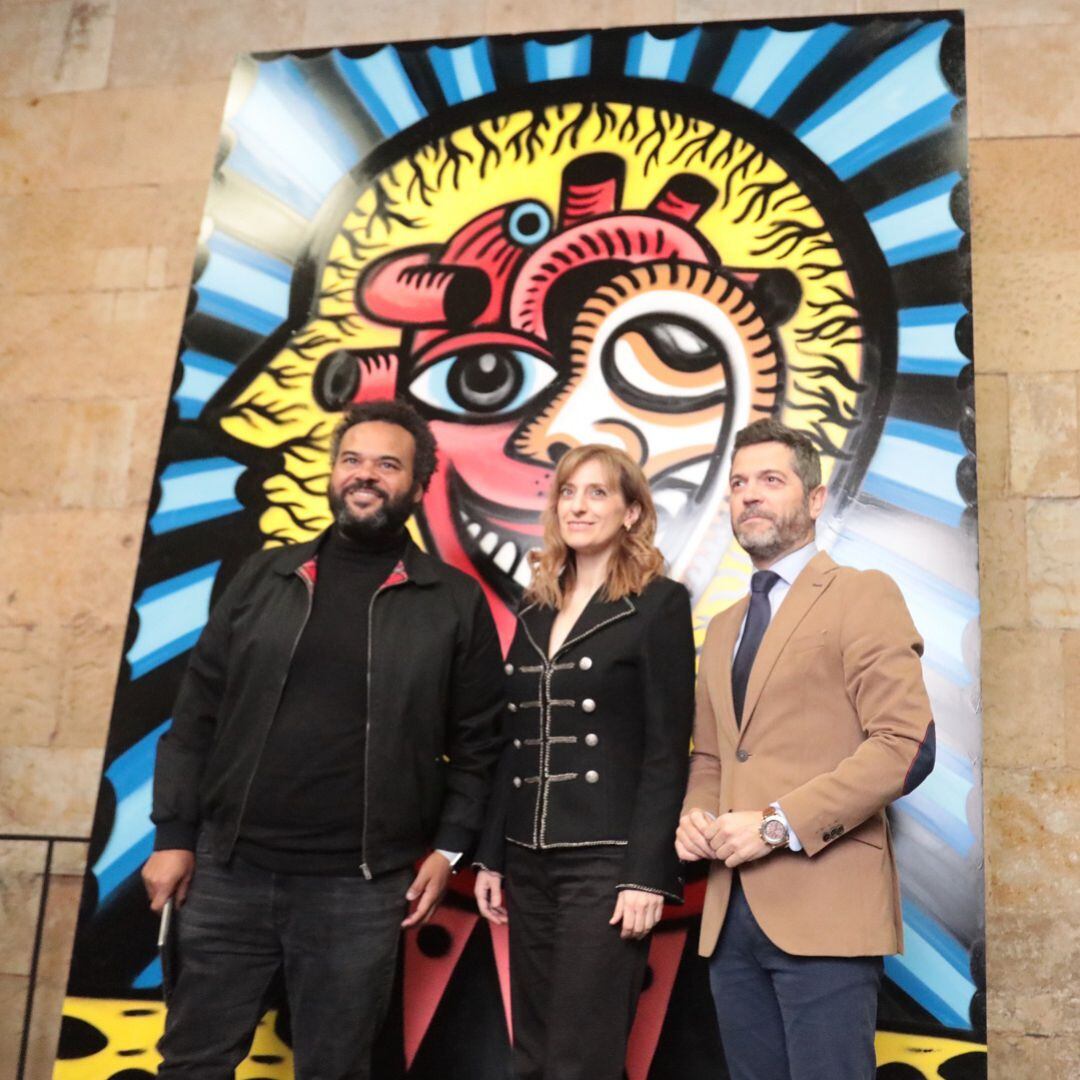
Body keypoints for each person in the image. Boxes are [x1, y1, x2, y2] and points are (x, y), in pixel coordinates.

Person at [141, 399, 505, 1079]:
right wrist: (173, 836)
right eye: (352, 459)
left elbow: (481, 743)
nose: (365, 475)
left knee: (334, 1070)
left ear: (417, 484)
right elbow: (196, 713)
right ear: (334, 472)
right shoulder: (265, 575)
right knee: (191, 1062)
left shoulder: (453, 601)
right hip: (226, 874)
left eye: (387, 464)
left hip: (359, 888)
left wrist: (448, 849)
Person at [675, 418, 936, 1080]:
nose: (750, 496)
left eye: (770, 480)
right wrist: (694, 818)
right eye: (738, 484)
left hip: (825, 906)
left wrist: (776, 824)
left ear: (816, 500)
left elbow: (906, 745)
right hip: (729, 915)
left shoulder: (862, 593)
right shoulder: (726, 624)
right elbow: (713, 757)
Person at [473, 444, 696, 1080]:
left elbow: (666, 750)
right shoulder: (534, 605)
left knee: (582, 1057)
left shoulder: (659, 604)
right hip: (528, 855)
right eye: (569, 491)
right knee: (532, 1053)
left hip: (606, 861)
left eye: (598, 492)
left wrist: (648, 874)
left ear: (631, 513)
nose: (578, 505)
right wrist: (491, 855)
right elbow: (512, 741)